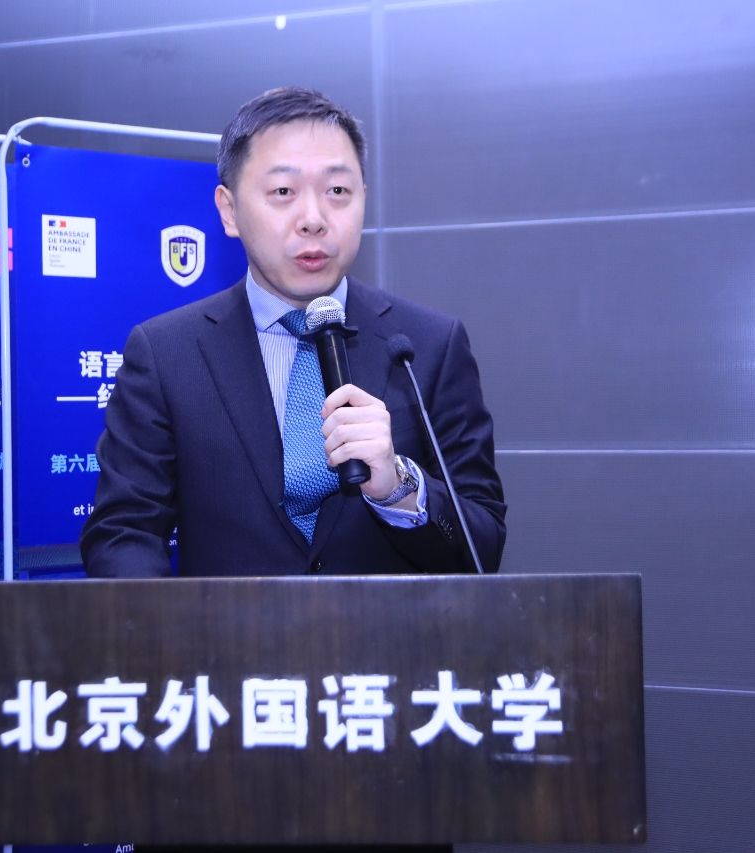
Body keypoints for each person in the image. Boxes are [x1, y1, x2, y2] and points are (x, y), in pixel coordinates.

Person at [80, 87, 505, 578]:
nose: (314, 220)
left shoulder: (426, 346)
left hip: (388, 630)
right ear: (229, 210)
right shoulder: (166, 353)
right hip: (222, 629)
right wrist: (177, 625)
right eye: (283, 192)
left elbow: (484, 546)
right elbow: (122, 535)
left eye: (337, 191)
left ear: (363, 199)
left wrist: (398, 487)